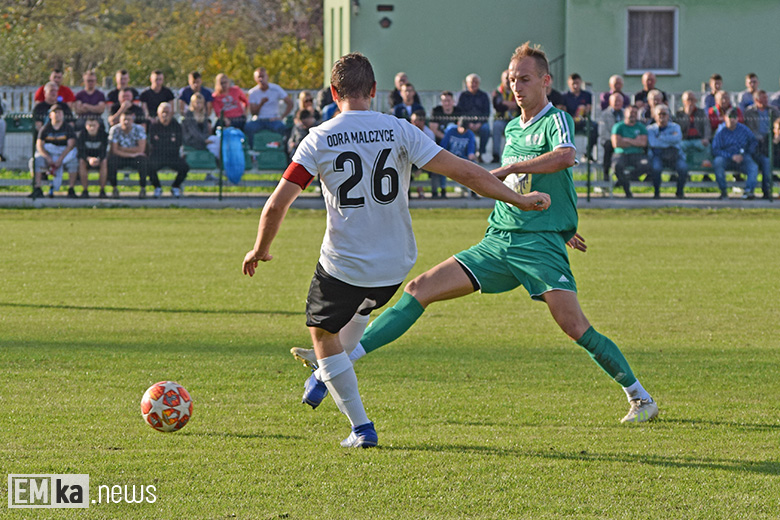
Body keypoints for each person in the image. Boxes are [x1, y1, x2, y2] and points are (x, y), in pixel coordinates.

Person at [292, 43, 658, 426]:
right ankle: (332, 366)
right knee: (420, 289)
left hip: (539, 245)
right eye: (512, 80)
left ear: (546, 82)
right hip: (499, 240)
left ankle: (640, 397)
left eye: (526, 79)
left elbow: (565, 157)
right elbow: (532, 182)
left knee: (575, 327)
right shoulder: (513, 125)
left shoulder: (555, 119)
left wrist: (555, 220)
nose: (517, 87)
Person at [242, 52, 550, 449]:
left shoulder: (319, 138)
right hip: (394, 267)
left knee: (321, 333)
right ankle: (323, 377)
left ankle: (360, 427)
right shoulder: (399, 130)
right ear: (373, 90)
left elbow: (277, 204)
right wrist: (519, 200)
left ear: (334, 92)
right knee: (359, 311)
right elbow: (468, 173)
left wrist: (260, 249)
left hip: (345, 265)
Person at [28, 104, 78, 199]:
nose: (57, 114)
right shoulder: (45, 128)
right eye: (55, 112)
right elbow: (39, 145)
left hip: (64, 154)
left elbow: (71, 145)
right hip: (49, 154)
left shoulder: (67, 128)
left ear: (63, 115)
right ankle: (37, 188)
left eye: (59, 112)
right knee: (36, 161)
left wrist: (60, 159)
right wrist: (48, 158)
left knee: (74, 162)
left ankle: (71, 189)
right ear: (50, 115)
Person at [711, 108, 759, 200]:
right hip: (726, 158)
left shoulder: (744, 129)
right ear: (725, 118)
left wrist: (745, 153)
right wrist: (731, 156)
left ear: (737, 119)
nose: (732, 120)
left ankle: (748, 191)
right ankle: (724, 192)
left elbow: (753, 142)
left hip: (742, 157)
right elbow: (715, 150)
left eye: (734, 117)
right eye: (730, 117)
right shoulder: (721, 131)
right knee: (718, 162)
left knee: (753, 167)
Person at [147, 102, 188, 198]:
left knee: (184, 167)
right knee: (148, 165)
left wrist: (161, 140)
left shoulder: (176, 125)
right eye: (163, 112)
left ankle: (175, 186)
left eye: (167, 112)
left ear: (171, 113)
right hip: (158, 156)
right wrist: (169, 140)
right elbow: (153, 142)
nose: (165, 115)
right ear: (158, 113)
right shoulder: (154, 126)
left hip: (172, 156)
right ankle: (157, 187)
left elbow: (178, 142)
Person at [244, 67, 294, 146]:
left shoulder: (276, 89)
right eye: (258, 77)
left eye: (262, 76)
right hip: (259, 120)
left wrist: (282, 117)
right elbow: (253, 112)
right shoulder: (253, 92)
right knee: (248, 128)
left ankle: (283, 151)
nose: (261, 79)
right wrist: (261, 103)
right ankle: (252, 150)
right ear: (255, 79)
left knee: (283, 129)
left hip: (273, 119)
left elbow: (290, 103)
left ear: (267, 76)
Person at [744, 90, 779, 200]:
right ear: (756, 100)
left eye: (766, 98)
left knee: (768, 159)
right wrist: (759, 137)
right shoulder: (750, 112)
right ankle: (766, 190)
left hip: (772, 142)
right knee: (765, 161)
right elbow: (749, 130)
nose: (766, 100)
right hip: (756, 144)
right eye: (763, 98)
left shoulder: (773, 110)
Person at [647, 104, 688, 199]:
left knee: (683, 168)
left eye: (664, 114)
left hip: (674, 154)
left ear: (668, 115)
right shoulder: (650, 129)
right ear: (655, 116)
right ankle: (657, 192)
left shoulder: (675, 127)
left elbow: (677, 139)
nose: (662, 116)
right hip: (658, 155)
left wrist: (660, 138)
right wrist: (669, 139)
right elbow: (653, 143)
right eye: (659, 114)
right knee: (656, 169)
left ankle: (679, 192)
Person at [611, 105, 650, 198]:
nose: (633, 114)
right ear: (625, 113)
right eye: (631, 112)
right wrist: (635, 141)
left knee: (646, 165)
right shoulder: (618, 126)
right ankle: (627, 190)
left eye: (635, 113)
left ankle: (623, 179)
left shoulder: (641, 127)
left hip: (637, 154)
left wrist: (625, 140)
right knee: (617, 166)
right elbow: (616, 143)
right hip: (621, 153)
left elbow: (643, 143)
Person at [107, 111, 148, 199]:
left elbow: (141, 149)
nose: (126, 122)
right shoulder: (115, 130)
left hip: (135, 158)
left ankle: (143, 188)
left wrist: (122, 149)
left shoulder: (139, 129)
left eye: (128, 119)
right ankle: (114, 189)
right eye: (124, 119)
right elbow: (114, 150)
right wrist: (131, 154)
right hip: (122, 157)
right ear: (120, 120)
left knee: (142, 160)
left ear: (132, 120)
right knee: (111, 160)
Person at [456, 73, 491, 162]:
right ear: (467, 84)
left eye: (476, 82)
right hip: (466, 122)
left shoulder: (484, 96)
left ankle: (481, 153)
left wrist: (479, 123)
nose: (474, 84)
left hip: (480, 122)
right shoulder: (463, 96)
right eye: (472, 82)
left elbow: (487, 112)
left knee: (486, 129)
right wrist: (468, 123)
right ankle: (469, 154)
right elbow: (460, 112)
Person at [562, 73, 597, 159]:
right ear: (569, 83)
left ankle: (588, 153)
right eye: (573, 84)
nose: (575, 86)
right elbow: (563, 111)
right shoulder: (565, 96)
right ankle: (565, 153)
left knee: (595, 126)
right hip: (569, 121)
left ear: (580, 82)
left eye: (577, 83)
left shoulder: (587, 95)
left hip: (582, 120)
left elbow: (589, 110)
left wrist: (585, 110)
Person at [675, 91, 712, 170]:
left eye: (692, 99)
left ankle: (705, 171)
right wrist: (687, 115)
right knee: (678, 147)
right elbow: (679, 128)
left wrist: (706, 138)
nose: (690, 102)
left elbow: (707, 126)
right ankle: (681, 168)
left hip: (698, 139)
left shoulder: (701, 113)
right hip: (684, 139)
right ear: (683, 102)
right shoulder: (679, 114)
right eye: (688, 100)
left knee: (707, 146)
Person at [74, 117, 108, 198]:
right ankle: (85, 190)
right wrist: (89, 159)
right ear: (86, 126)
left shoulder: (104, 135)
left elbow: (105, 151)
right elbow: (80, 152)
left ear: (98, 125)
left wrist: (98, 159)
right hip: (86, 159)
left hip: (99, 159)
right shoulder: (81, 135)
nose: (92, 127)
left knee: (104, 162)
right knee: (81, 162)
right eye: (90, 125)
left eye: (94, 125)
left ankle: (102, 190)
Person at [492, 69, 520, 160]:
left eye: (510, 78)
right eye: (506, 78)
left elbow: (520, 106)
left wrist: (505, 103)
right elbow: (498, 106)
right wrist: (512, 104)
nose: (508, 80)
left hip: (515, 118)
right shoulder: (497, 91)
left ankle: (516, 155)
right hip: (501, 118)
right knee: (496, 126)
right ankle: (496, 155)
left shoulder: (518, 88)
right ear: (502, 79)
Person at [598, 91, 624, 181]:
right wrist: (615, 140)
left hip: (623, 141)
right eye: (615, 101)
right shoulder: (604, 114)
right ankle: (606, 173)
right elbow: (603, 131)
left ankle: (623, 178)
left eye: (619, 101)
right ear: (610, 102)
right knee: (608, 146)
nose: (617, 103)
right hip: (609, 140)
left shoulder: (625, 114)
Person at [409, 109, 434, 198]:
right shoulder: (409, 132)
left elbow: (430, 152)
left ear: (422, 121)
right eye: (412, 121)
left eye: (415, 121)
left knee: (421, 171)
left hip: (425, 159)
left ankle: (422, 192)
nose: (412, 123)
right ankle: (407, 194)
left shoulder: (429, 134)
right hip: (411, 159)